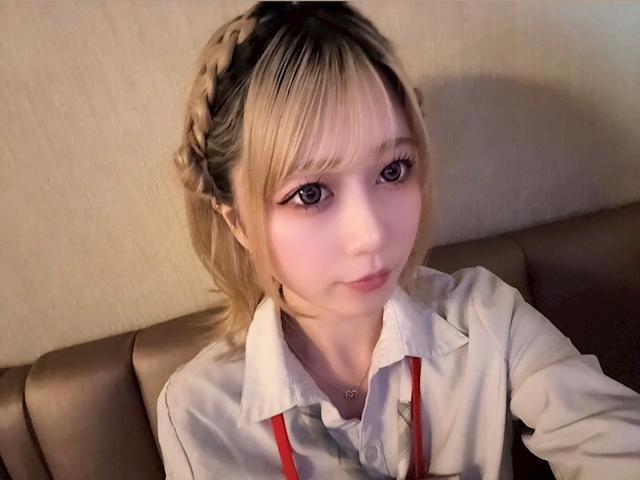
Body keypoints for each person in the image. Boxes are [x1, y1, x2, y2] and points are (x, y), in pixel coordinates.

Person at [157, 2, 640, 479]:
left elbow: (610, 440)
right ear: (237, 222)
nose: (371, 234)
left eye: (392, 170)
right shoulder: (200, 415)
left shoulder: (487, 321)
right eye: (310, 193)